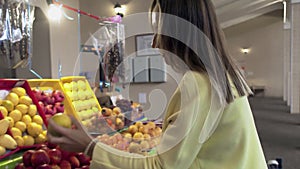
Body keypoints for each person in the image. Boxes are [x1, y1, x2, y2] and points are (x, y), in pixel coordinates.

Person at [47, 0, 268, 168]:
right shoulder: (221, 74)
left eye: (158, 29)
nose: (154, 42)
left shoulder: (199, 83)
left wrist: (91, 146)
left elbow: (161, 166)